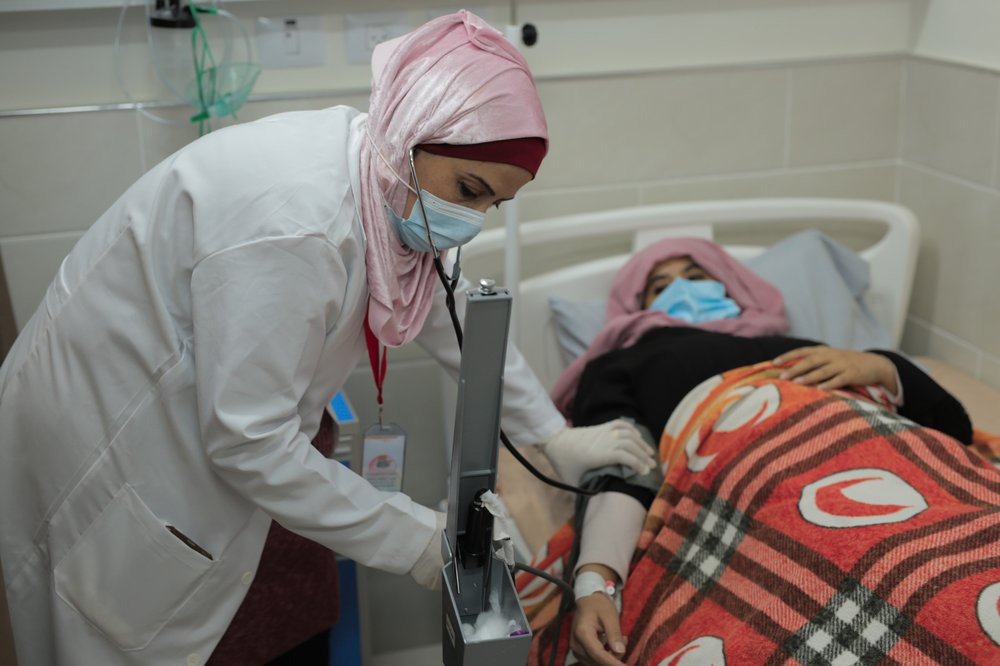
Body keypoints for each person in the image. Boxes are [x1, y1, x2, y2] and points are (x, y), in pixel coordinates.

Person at [0, 11, 655, 665]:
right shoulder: (296, 223)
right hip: (109, 450)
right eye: (470, 190)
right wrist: (420, 541)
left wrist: (549, 435)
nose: (473, 223)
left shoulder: (383, 184)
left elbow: (441, 305)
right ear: (412, 134)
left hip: (193, 426)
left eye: (492, 205)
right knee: (112, 619)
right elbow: (247, 441)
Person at [524, 237, 981, 666]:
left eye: (697, 276)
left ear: (734, 287)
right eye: (658, 286)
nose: (681, 288)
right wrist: (596, 583)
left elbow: (953, 430)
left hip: (871, 447)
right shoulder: (623, 360)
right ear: (634, 307)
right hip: (756, 471)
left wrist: (883, 365)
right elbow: (620, 465)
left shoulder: (806, 348)